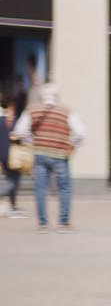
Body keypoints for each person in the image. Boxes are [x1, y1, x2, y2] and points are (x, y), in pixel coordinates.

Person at [12, 84, 83, 231]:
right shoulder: (66, 111)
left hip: (40, 154)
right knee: (64, 188)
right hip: (60, 154)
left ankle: (42, 224)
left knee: (40, 189)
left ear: (42, 96)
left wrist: (31, 141)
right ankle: (63, 223)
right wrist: (72, 146)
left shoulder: (32, 109)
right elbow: (81, 133)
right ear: (57, 96)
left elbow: (19, 131)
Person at [2, 83, 25, 217]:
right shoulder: (13, 121)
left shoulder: (3, 120)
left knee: (11, 178)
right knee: (13, 180)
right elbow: (20, 135)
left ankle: (13, 205)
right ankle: (3, 195)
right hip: (11, 155)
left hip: (5, 155)